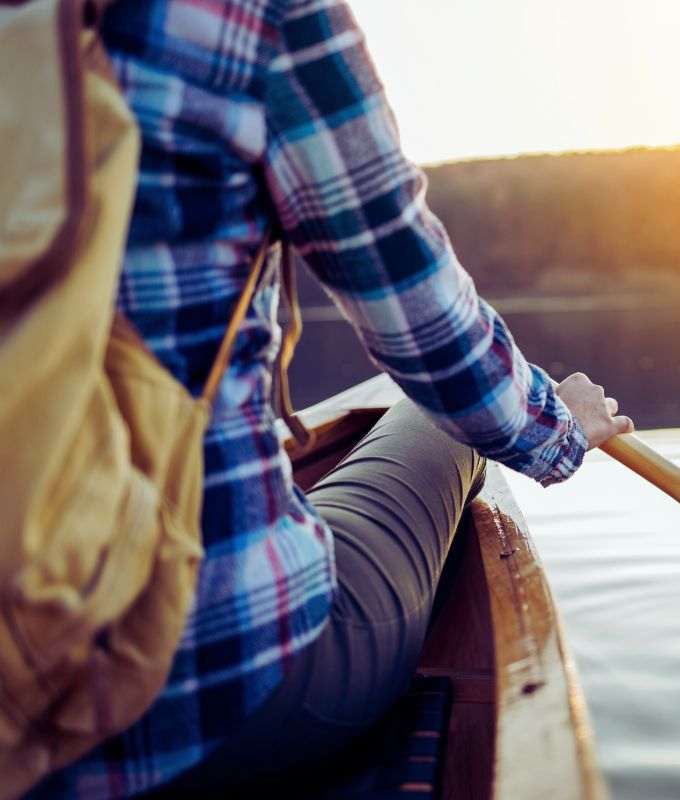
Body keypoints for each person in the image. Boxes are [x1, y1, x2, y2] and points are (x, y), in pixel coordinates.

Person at [32, 0, 632, 796]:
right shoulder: (254, 15)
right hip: (207, 698)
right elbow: (434, 342)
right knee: (433, 413)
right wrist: (560, 426)